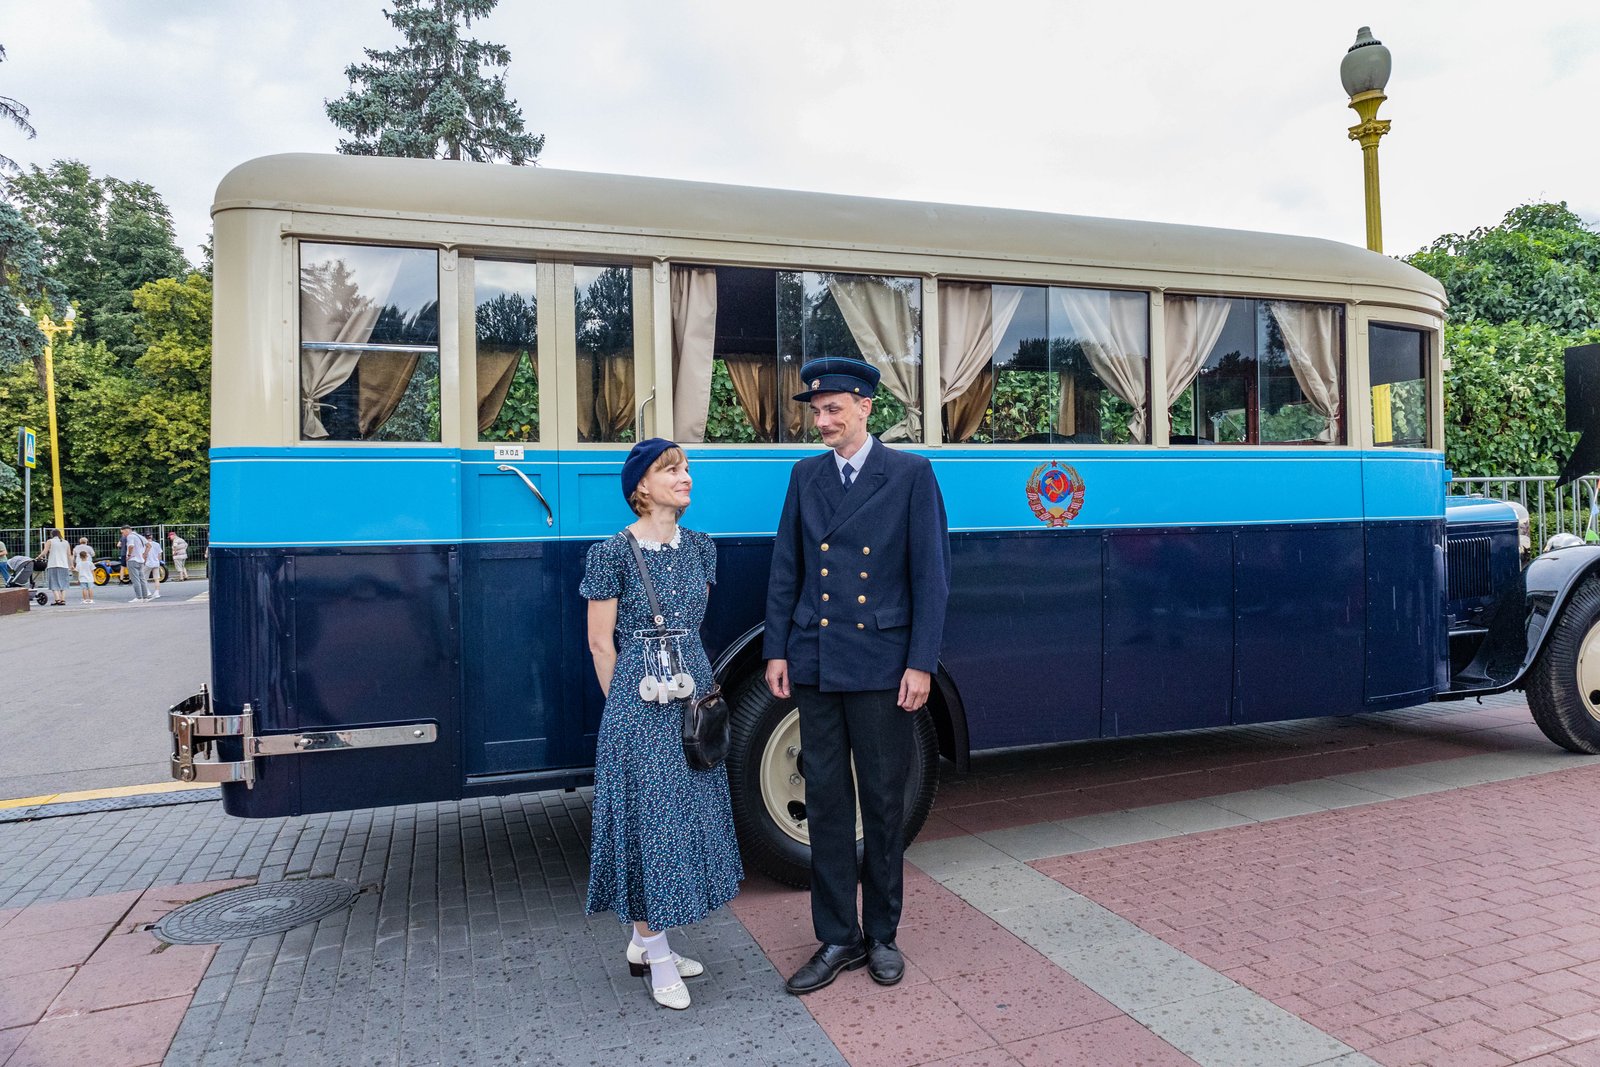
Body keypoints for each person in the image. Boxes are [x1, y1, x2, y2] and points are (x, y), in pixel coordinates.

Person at [764, 356, 951, 995]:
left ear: (866, 409)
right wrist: (779, 651)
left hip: (880, 663)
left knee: (882, 799)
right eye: (816, 411)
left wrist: (921, 662)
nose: (822, 421)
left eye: (833, 409)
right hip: (816, 661)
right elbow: (786, 568)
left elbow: (931, 577)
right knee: (826, 802)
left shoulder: (909, 474)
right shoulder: (804, 476)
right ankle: (837, 936)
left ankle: (884, 936)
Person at [580, 437, 743, 1011]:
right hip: (639, 701)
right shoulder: (611, 554)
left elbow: (693, 627)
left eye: (687, 468)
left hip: (692, 692)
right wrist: (626, 713)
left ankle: (641, 941)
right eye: (671, 469)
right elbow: (602, 645)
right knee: (651, 822)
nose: (686, 477)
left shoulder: (700, 547)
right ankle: (660, 954)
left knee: (686, 815)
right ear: (640, 488)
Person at [41, 528, 72, 606]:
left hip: (53, 564)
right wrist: (71, 565)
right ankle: (63, 599)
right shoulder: (65, 542)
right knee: (63, 583)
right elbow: (69, 554)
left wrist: (39, 556)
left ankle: (57, 599)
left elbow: (45, 552)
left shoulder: (50, 541)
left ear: (52, 534)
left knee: (54, 582)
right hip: (64, 565)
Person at [121, 525, 150, 602]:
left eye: (123, 532)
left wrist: (129, 555)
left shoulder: (130, 536)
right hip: (140, 560)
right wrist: (145, 554)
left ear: (127, 530)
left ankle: (139, 597)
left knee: (135, 579)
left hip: (133, 559)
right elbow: (149, 545)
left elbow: (131, 546)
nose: (123, 535)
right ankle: (145, 597)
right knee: (142, 579)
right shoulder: (140, 536)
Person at [72, 537, 96, 604]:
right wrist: (94, 578)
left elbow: (73, 554)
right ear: (86, 542)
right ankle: (91, 599)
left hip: (82, 577)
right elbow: (93, 554)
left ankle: (85, 600)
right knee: (90, 588)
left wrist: (78, 579)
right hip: (90, 577)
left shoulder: (76, 547)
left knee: (84, 589)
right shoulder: (89, 548)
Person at [144, 532, 164, 601]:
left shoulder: (144, 545)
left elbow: (144, 554)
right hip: (156, 563)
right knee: (156, 578)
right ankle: (157, 592)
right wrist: (158, 561)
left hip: (148, 563)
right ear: (151, 536)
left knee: (144, 578)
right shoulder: (157, 544)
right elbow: (159, 555)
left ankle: (147, 592)